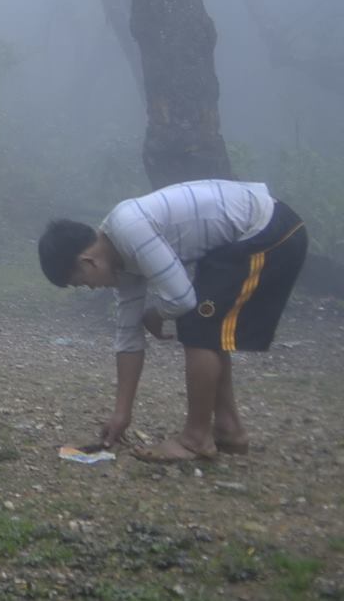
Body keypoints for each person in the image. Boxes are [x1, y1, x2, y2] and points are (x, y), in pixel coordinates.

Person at [38, 179, 308, 463]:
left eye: (81, 282)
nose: (89, 288)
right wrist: (121, 413)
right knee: (205, 320)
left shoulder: (130, 230)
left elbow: (181, 299)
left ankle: (195, 439)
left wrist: (156, 314)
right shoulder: (120, 258)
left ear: (87, 261)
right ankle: (229, 429)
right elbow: (128, 337)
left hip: (268, 230)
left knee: (197, 320)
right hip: (251, 236)